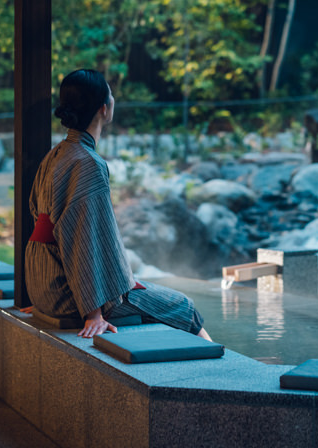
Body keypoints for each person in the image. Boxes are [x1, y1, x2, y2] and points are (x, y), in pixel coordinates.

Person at [25, 69, 212, 340]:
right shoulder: (87, 163)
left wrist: (119, 279)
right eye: (111, 95)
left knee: (146, 291)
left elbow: (41, 219)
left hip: (44, 282)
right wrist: (94, 313)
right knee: (185, 308)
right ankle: (216, 377)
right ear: (104, 108)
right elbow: (84, 240)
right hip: (69, 296)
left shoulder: (56, 154)